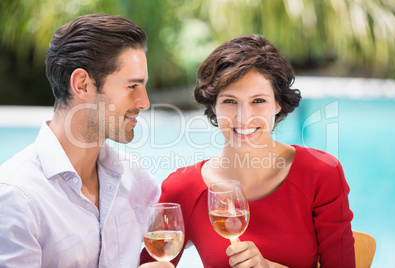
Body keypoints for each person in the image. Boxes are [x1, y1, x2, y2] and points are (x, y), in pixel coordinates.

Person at [141, 35, 355, 267]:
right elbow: (151, 262)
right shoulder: (184, 189)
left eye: (258, 101)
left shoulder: (320, 174)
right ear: (214, 105)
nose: (244, 118)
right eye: (230, 101)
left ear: (278, 103)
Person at [0, 14, 173, 268]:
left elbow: (192, 216)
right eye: (133, 86)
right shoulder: (16, 197)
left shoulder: (136, 180)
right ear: (82, 85)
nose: (144, 102)